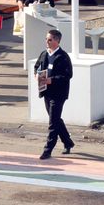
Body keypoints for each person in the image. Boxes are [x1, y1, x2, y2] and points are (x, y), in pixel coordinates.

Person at [34, 29, 74, 160]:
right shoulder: (44, 54)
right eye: (46, 39)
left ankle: (48, 149)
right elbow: (37, 67)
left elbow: (67, 75)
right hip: (47, 92)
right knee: (55, 119)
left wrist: (52, 80)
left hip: (58, 94)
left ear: (57, 41)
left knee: (52, 122)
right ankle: (68, 142)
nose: (47, 42)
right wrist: (36, 75)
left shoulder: (63, 57)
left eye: (50, 39)